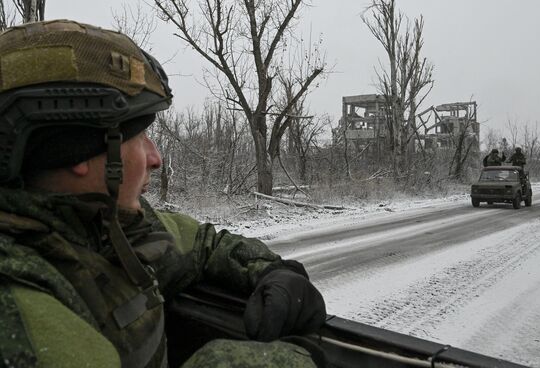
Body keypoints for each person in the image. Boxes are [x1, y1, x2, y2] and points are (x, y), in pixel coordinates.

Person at [0, 20, 325, 368]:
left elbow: (201, 243)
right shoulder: (18, 307)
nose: (155, 159)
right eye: (138, 138)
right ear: (77, 154)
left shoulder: (105, 225)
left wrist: (271, 271)